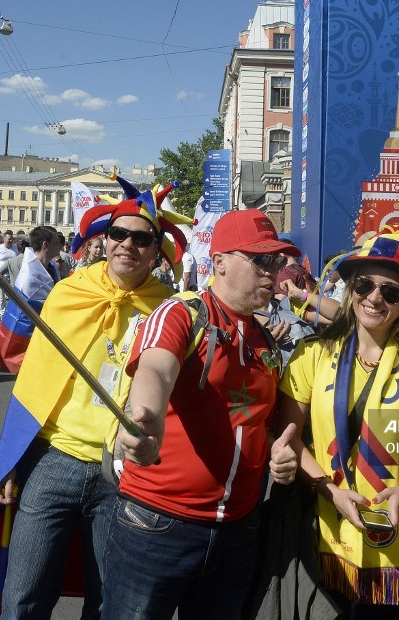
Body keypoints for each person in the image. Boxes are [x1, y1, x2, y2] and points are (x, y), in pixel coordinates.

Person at [0, 181, 189, 620]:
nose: (127, 245)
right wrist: (12, 463)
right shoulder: (69, 293)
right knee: (23, 595)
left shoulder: (169, 310)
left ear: (157, 250)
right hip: (51, 461)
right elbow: (32, 386)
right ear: (104, 237)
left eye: (141, 238)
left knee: (108, 601)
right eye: (119, 234)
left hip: (121, 473)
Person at [103, 209, 299, 620]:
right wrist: (147, 417)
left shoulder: (265, 337)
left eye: (277, 262)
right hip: (156, 525)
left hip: (238, 531)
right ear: (221, 260)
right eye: (260, 260)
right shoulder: (182, 312)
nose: (273, 273)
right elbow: (155, 366)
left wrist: (284, 451)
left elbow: (270, 423)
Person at [276, 225, 399, 618]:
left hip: (396, 528)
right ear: (350, 291)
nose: (374, 298)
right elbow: (290, 437)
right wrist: (332, 493)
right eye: (364, 286)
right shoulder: (312, 355)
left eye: (390, 292)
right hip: (325, 523)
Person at [0, 230, 17, 315]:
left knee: (13, 296)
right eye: (9, 239)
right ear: (4, 238)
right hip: (2, 276)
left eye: (12, 239)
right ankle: (2, 314)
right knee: (1, 297)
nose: (10, 241)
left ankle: (11, 313)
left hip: (12, 276)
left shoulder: (15, 248)